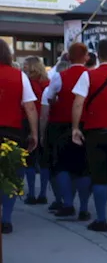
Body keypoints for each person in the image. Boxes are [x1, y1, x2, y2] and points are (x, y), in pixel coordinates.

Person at [70, 39, 107, 232]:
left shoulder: (89, 76)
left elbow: (78, 103)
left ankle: (101, 219)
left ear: (97, 53)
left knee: (99, 176)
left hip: (96, 130)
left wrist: (75, 128)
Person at [41, 42, 92, 220]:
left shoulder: (60, 76)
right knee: (84, 167)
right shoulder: (91, 76)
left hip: (61, 124)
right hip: (86, 124)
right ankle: (84, 207)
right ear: (86, 57)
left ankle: (68, 203)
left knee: (61, 166)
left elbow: (50, 97)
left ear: (69, 57)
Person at [0, 41, 40, 234]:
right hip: (12, 131)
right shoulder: (19, 76)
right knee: (12, 174)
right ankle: (6, 218)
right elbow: (30, 107)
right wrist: (34, 133)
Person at [21, 57, 50, 205]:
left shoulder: (27, 83)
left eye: (25, 65)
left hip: (29, 121)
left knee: (30, 160)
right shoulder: (48, 83)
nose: (23, 67)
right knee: (44, 160)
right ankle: (43, 192)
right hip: (46, 122)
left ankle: (31, 192)